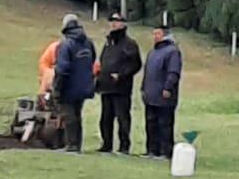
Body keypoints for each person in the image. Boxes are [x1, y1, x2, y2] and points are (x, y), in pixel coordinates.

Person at [95, 13, 142, 155]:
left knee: (122, 118)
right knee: (105, 118)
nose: (114, 24)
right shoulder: (108, 43)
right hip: (106, 87)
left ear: (124, 24)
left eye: (117, 21)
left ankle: (124, 146)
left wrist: (121, 75)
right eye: (112, 21)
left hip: (121, 88)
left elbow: (136, 64)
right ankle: (106, 144)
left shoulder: (130, 44)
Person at [52, 13, 97, 153]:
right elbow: (92, 59)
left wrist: (57, 88)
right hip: (85, 85)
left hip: (69, 86)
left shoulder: (66, 44)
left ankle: (71, 145)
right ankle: (77, 145)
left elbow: (63, 68)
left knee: (68, 114)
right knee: (77, 114)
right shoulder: (88, 42)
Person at [141, 26, 183, 160]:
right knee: (150, 123)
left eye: (158, 33)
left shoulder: (173, 52)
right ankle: (152, 150)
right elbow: (147, 72)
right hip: (150, 94)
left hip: (164, 95)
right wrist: (143, 88)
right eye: (154, 33)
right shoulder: (152, 52)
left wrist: (168, 87)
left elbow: (173, 72)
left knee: (164, 124)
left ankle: (166, 151)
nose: (155, 36)